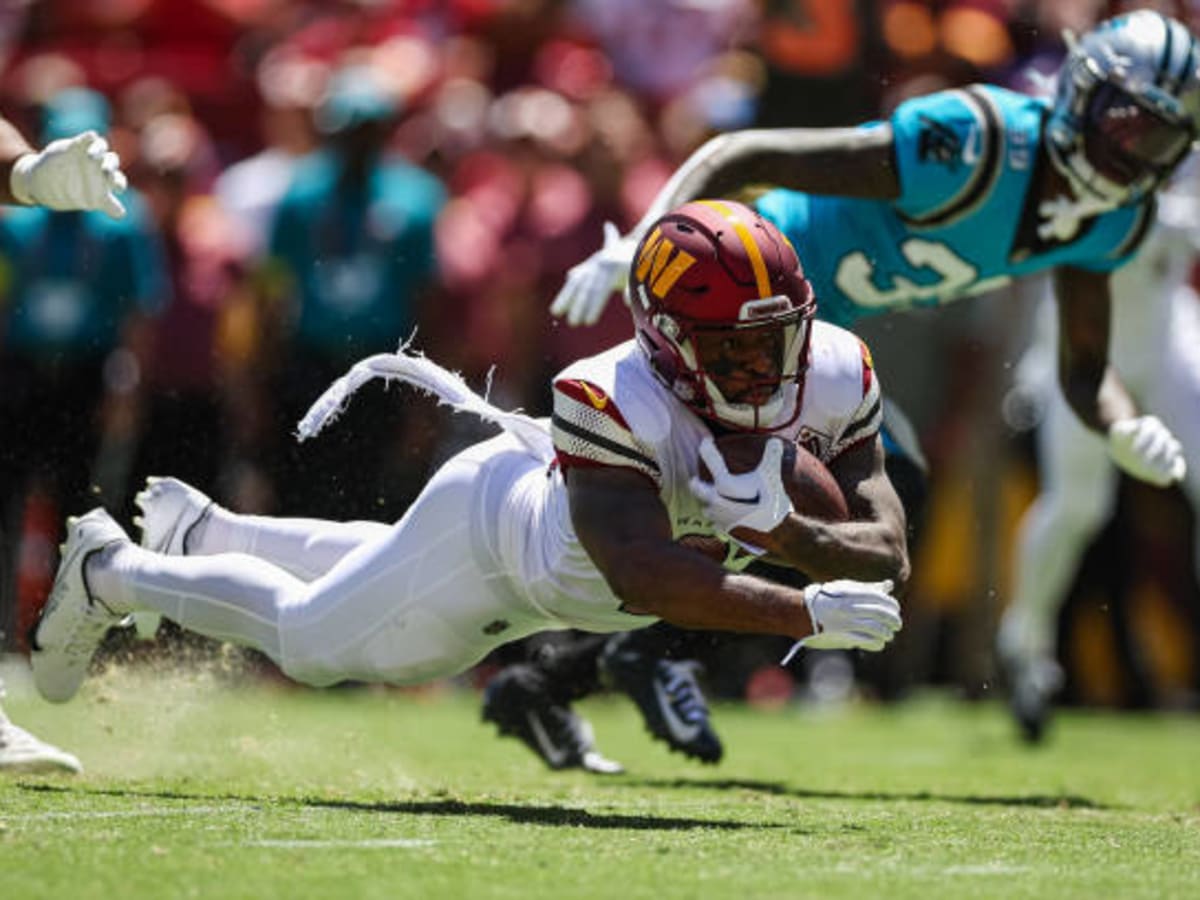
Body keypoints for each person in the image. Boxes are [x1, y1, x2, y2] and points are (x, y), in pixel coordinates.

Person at [28, 200, 908, 774]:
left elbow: (885, 544)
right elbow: (642, 575)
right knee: (312, 644)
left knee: (375, 573)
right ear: (669, 340)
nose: (764, 370)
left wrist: (795, 541)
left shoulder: (832, 368)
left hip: (547, 570)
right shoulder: (609, 394)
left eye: (778, 340)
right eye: (734, 349)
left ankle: (212, 532)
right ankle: (113, 570)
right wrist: (805, 609)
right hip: (494, 548)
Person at [532, 10, 1198, 765]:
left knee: (862, 504)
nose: (1130, 153)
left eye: (1158, 140)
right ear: (1084, 93)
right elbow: (743, 152)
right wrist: (652, 247)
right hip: (752, 308)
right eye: (1126, 123)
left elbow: (1083, 369)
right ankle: (605, 653)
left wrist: (1120, 426)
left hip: (825, 332)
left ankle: (609, 659)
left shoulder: (1113, 220)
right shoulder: (977, 143)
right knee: (803, 492)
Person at [998, 153, 1200, 742]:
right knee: (1079, 506)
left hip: (1166, 344)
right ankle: (1026, 642)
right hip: (1084, 353)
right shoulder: (1072, 151)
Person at [0, 100, 129, 773]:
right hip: (23, 371)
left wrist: (26, 174)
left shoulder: (111, 229)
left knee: (69, 505)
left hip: (77, 377)